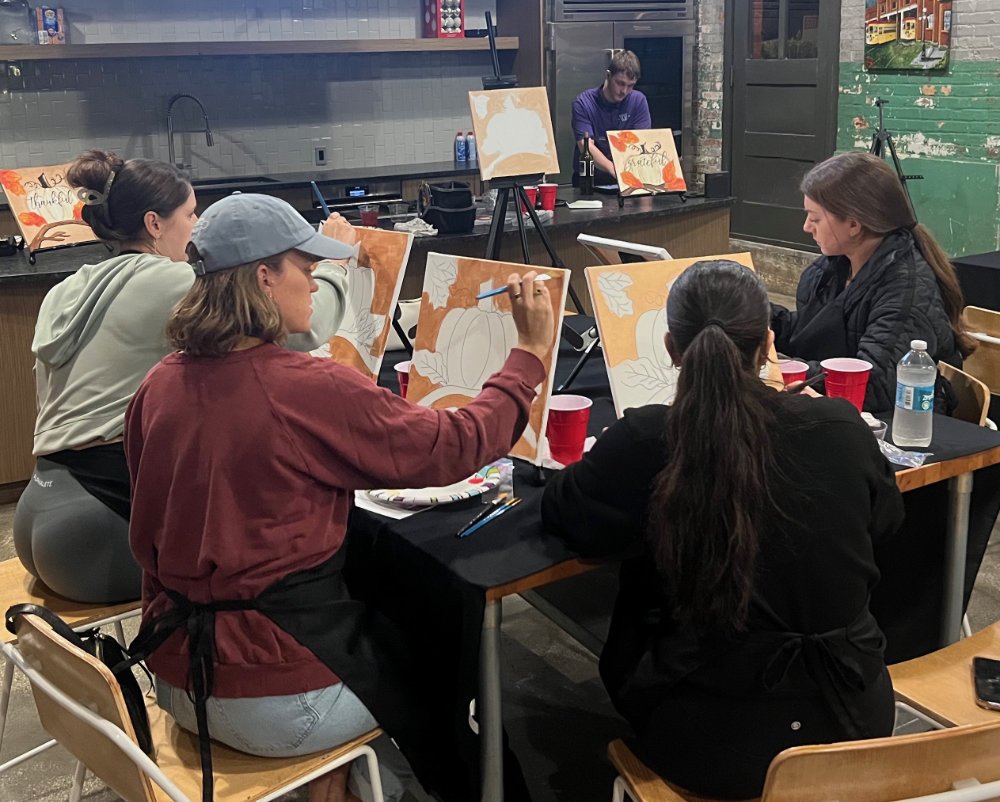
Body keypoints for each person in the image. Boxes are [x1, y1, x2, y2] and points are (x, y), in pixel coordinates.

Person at [124, 192, 555, 802]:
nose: (318, 281)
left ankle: (336, 778)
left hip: (175, 675)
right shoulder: (304, 387)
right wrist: (529, 356)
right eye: (307, 266)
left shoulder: (160, 382)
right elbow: (453, 445)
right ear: (265, 278)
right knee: (442, 670)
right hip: (272, 695)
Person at [542, 260, 903, 799]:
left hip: (708, 739)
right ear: (768, 345)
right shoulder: (839, 426)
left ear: (670, 347)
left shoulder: (648, 439)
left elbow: (566, 516)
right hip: (853, 718)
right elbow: (886, 524)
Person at [13, 150, 355, 604]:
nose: (199, 229)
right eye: (192, 214)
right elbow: (301, 328)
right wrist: (333, 267)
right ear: (155, 224)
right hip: (101, 526)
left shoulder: (67, 289)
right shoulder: (170, 281)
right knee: (272, 555)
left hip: (38, 512)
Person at [771, 151, 975, 413]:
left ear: (854, 224)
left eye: (815, 218)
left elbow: (875, 385)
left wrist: (785, 369)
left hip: (894, 428)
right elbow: (810, 331)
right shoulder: (832, 269)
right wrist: (753, 316)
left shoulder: (906, 290)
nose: (806, 227)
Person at [571, 50, 651, 187]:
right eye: (620, 83)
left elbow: (641, 143)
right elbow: (586, 146)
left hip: (628, 178)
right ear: (608, 76)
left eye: (630, 85)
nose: (624, 91)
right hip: (589, 181)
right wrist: (613, 169)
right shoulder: (583, 103)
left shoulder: (638, 101)